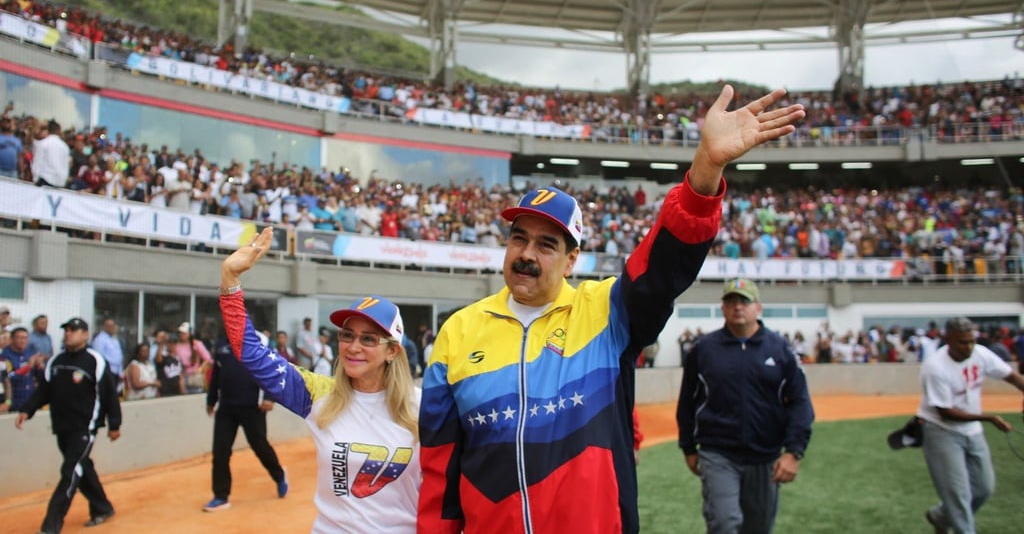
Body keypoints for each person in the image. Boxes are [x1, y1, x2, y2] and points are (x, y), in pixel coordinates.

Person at [417, 86, 805, 533]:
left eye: (547, 245)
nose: (526, 254)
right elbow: (440, 466)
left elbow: (661, 270)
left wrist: (705, 170)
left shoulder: (606, 311)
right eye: (519, 238)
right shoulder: (459, 331)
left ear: (571, 260)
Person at [219, 227, 421, 531]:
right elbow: (251, 353)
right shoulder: (318, 395)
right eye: (347, 335)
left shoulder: (424, 406)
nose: (353, 347)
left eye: (368, 339)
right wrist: (229, 280)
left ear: (392, 351)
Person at [676, 278, 815, 534]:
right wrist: (688, 446)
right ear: (723, 308)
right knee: (724, 523)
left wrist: (793, 452)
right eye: (731, 301)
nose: (737, 307)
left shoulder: (781, 349)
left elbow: (800, 401)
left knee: (759, 527)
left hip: (765, 455)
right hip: (718, 452)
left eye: (744, 301)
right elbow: (687, 401)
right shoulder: (704, 350)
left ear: (758, 308)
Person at [917, 317, 1024, 534]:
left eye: (971, 341)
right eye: (962, 342)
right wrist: (989, 418)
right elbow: (945, 412)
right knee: (958, 495)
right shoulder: (935, 367)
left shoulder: (980, 354)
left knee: (984, 488)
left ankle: (940, 516)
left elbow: (1011, 376)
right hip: (941, 430)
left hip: (972, 431)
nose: (968, 347)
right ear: (947, 339)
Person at [15, 317, 122, 532]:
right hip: (62, 427)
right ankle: (102, 507)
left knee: (70, 472)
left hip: (84, 428)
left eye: (74, 330)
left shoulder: (95, 360)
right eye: (66, 330)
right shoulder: (56, 361)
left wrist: (114, 424)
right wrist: (27, 410)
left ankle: (51, 526)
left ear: (85, 334)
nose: (68, 334)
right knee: (82, 468)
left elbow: (109, 394)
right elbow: (44, 391)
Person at [203, 332, 288, 512]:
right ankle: (220, 496)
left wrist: (269, 397)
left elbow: (271, 371)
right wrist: (211, 400)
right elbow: (216, 375)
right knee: (220, 452)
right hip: (226, 408)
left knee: (260, 446)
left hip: (253, 407)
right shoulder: (221, 345)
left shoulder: (258, 342)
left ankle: (279, 476)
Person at [1, 326, 45, 412]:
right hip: (14, 402)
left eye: (25, 338)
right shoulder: (4, 356)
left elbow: (41, 378)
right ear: (12, 339)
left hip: (30, 399)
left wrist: (40, 367)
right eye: (20, 338)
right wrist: (28, 366)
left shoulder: (30, 353)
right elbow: (7, 379)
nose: (23, 341)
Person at [175, 322, 212, 393]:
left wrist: (200, 368)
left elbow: (208, 359)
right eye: (180, 333)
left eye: (184, 333)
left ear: (189, 334)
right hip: (182, 378)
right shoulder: (177, 345)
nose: (181, 335)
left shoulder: (197, 344)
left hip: (194, 377)